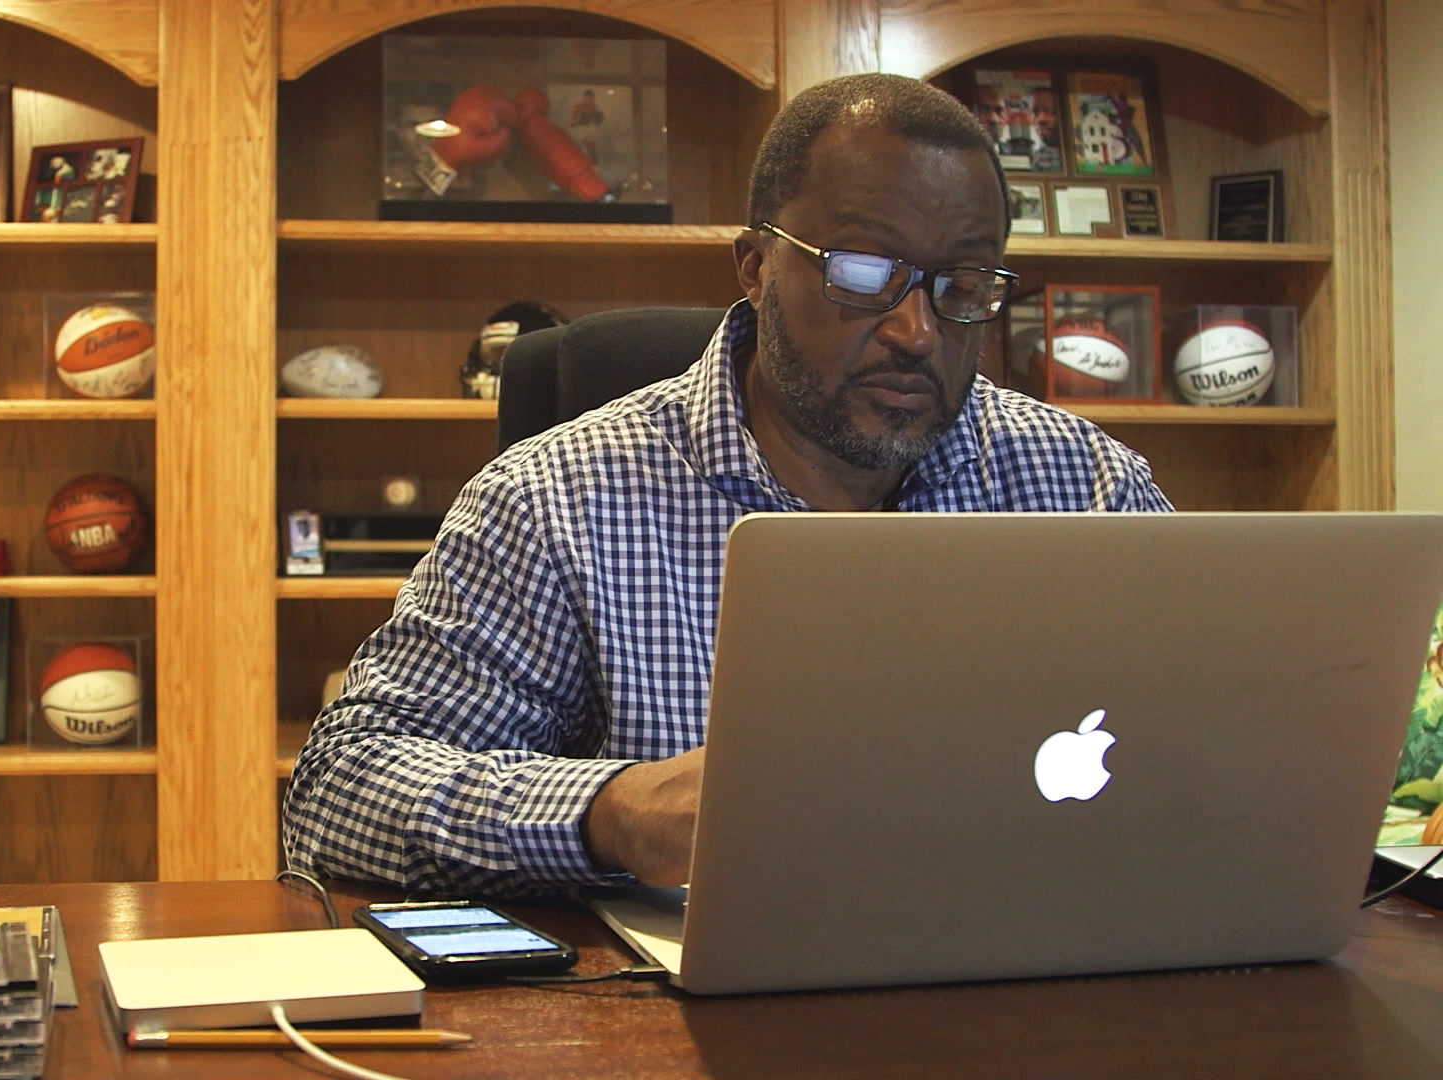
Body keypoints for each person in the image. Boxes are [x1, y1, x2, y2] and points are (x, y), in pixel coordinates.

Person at [281, 73, 1172, 897]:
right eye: (864, 273)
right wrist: (608, 813)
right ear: (753, 266)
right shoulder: (559, 499)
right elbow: (339, 793)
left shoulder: (1085, 486)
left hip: (1040, 972)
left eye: (964, 286)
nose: (916, 330)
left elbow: (1233, 752)